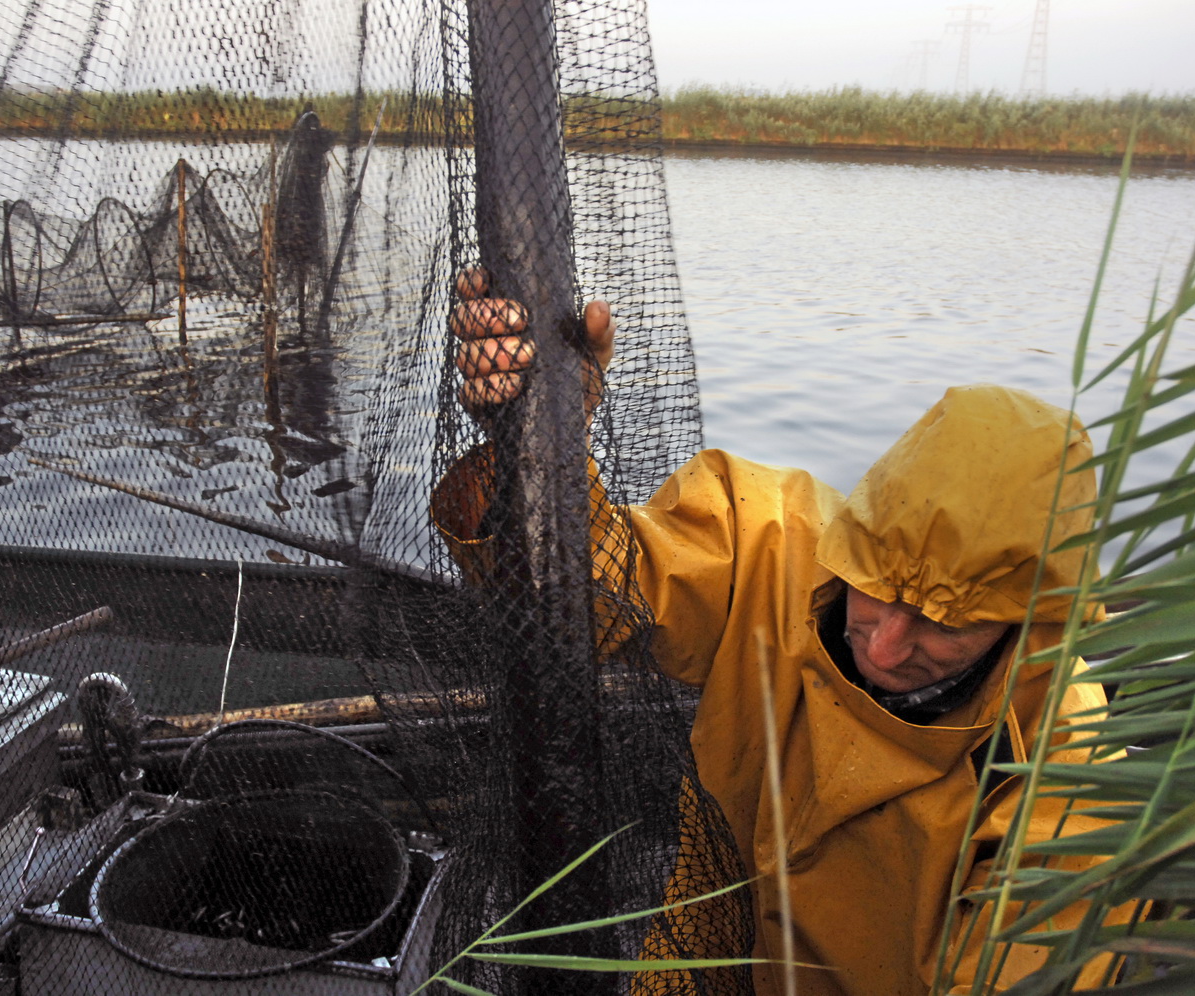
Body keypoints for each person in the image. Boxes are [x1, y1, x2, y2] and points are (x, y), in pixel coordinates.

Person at [438, 274, 1121, 996]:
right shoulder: (770, 540)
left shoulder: (1070, 777)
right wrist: (541, 444)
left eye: (945, 624)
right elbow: (593, 597)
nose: (884, 648)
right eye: (875, 584)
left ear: (1028, 622)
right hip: (705, 940)